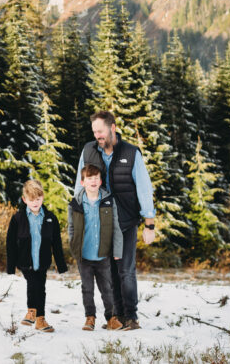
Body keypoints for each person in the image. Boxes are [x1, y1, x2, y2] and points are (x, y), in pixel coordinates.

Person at [73, 110, 156, 331]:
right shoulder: (89, 151)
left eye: (100, 131)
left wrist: (149, 224)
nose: (97, 135)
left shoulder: (131, 153)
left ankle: (131, 317)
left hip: (126, 221)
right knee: (108, 272)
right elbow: (79, 186)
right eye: (94, 132)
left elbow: (144, 189)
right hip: (99, 223)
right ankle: (116, 317)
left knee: (125, 270)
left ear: (112, 128)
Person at [5, 179, 68, 332]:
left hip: (42, 261)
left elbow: (57, 243)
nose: (35, 202)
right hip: (25, 260)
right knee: (34, 284)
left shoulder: (50, 218)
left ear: (43, 198)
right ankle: (36, 314)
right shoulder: (18, 219)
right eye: (32, 199)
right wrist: (11, 266)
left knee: (40, 287)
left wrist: (61, 265)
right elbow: (10, 243)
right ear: (25, 199)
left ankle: (37, 317)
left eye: (38, 199)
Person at [67, 163, 123, 331]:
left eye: (96, 178)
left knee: (107, 288)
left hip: (103, 254)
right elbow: (71, 228)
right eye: (89, 178)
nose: (93, 181)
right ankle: (89, 318)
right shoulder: (75, 203)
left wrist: (117, 251)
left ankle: (111, 318)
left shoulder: (108, 201)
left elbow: (116, 227)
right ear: (83, 182)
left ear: (100, 181)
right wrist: (73, 247)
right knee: (87, 289)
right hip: (83, 256)